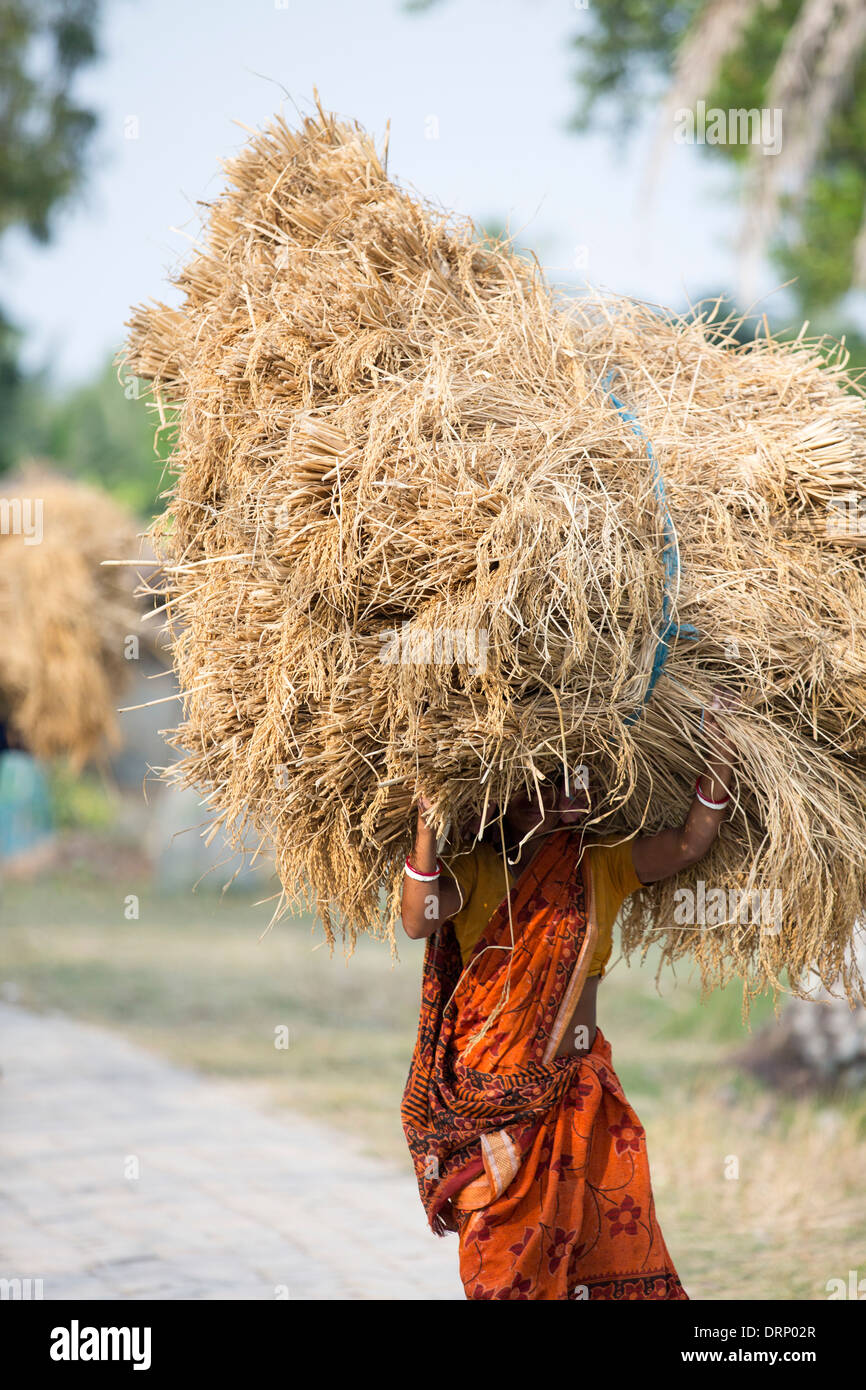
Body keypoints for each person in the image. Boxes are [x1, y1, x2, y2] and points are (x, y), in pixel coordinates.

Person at [400, 697, 736, 1300]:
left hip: (574, 1094)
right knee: (501, 1271)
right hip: (490, 1100)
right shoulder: (480, 870)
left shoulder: (599, 864)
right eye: (551, 785)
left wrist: (720, 759)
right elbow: (419, 919)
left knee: (595, 1254)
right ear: (509, 797)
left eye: (576, 783)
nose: (569, 800)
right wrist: (426, 825)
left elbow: (688, 845)